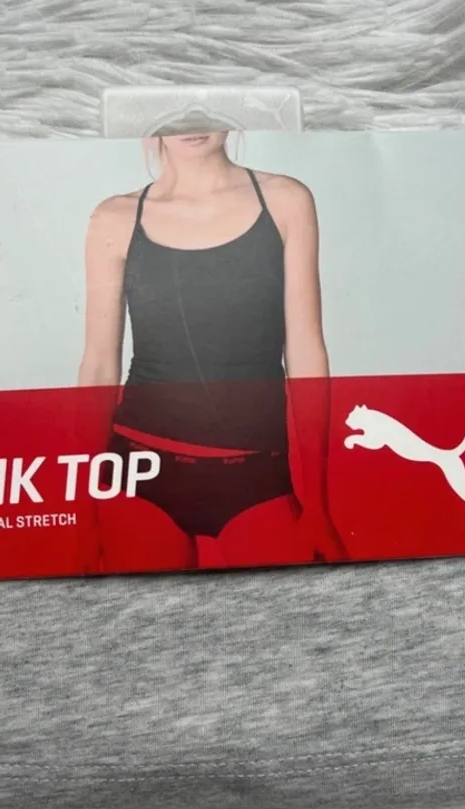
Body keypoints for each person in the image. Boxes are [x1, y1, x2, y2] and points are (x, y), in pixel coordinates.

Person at [78, 131, 345, 572]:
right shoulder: (115, 217)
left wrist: (317, 505)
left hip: (257, 473)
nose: (193, 123)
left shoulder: (286, 201)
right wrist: (83, 512)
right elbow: (99, 366)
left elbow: (306, 352)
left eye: (205, 104)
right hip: (140, 472)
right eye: (176, 109)